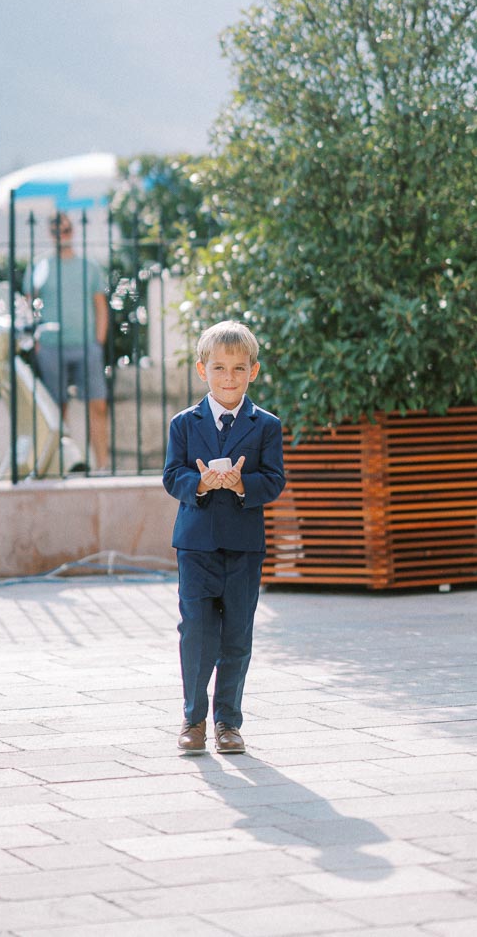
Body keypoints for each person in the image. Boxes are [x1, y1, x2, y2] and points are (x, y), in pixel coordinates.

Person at [163, 320, 285, 755]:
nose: (228, 378)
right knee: (196, 631)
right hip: (195, 546)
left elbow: (274, 480)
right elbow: (171, 475)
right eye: (219, 368)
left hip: (243, 547)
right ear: (202, 371)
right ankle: (193, 719)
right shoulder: (184, 423)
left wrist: (239, 485)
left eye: (238, 369)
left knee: (237, 634)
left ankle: (228, 722)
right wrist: (198, 484)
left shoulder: (266, 425)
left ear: (252, 371)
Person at [25, 211, 109, 471]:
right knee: (57, 410)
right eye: (57, 231)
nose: (63, 235)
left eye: (66, 230)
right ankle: (65, 464)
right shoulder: (40, 266)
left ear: (72, 231)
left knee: (97, 405)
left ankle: (102, 467)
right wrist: (36, 342)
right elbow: (28, 306)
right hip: (50, 347)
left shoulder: (89, 266)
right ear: (50, 235)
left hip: (86, 345)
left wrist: (98, 342)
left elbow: (100, 306)